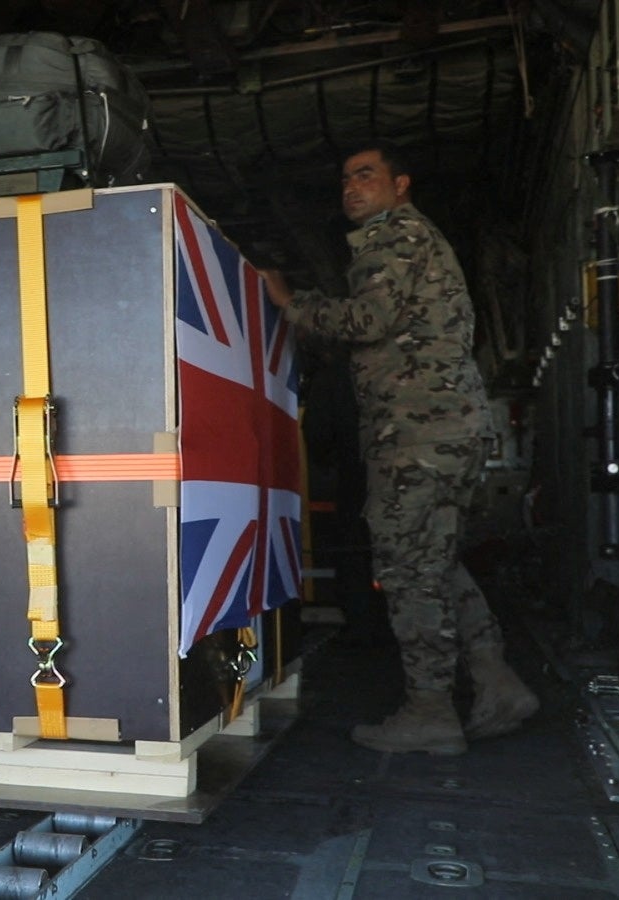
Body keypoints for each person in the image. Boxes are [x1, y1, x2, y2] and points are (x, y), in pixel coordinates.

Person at [262, 144, 538, 756]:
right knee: (436, 558)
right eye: (345, 179)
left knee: (409, 570)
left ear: (401, 185)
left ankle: (431, 710)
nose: (351, 187)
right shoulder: (419, 238)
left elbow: (368, 320)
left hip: (417, 433)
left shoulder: (392, 236)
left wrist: (290, 303)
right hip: (447, 430)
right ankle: (496, 682)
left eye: (366, 175)